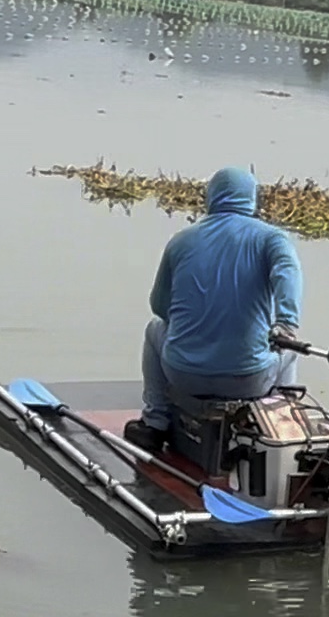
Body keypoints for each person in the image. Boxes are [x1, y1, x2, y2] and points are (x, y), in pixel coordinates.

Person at [124, 166, 303, 453]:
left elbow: (159, 307)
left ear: (211, 198)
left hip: (183, 374)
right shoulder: (272, 239)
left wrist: (195, 326)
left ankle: (154, 423)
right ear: (252, 200)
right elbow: (288, 273)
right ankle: (282, 428)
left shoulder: (181, 241)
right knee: (290, 349)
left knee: (154, 330)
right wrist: (286, 324)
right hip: (249, 381)